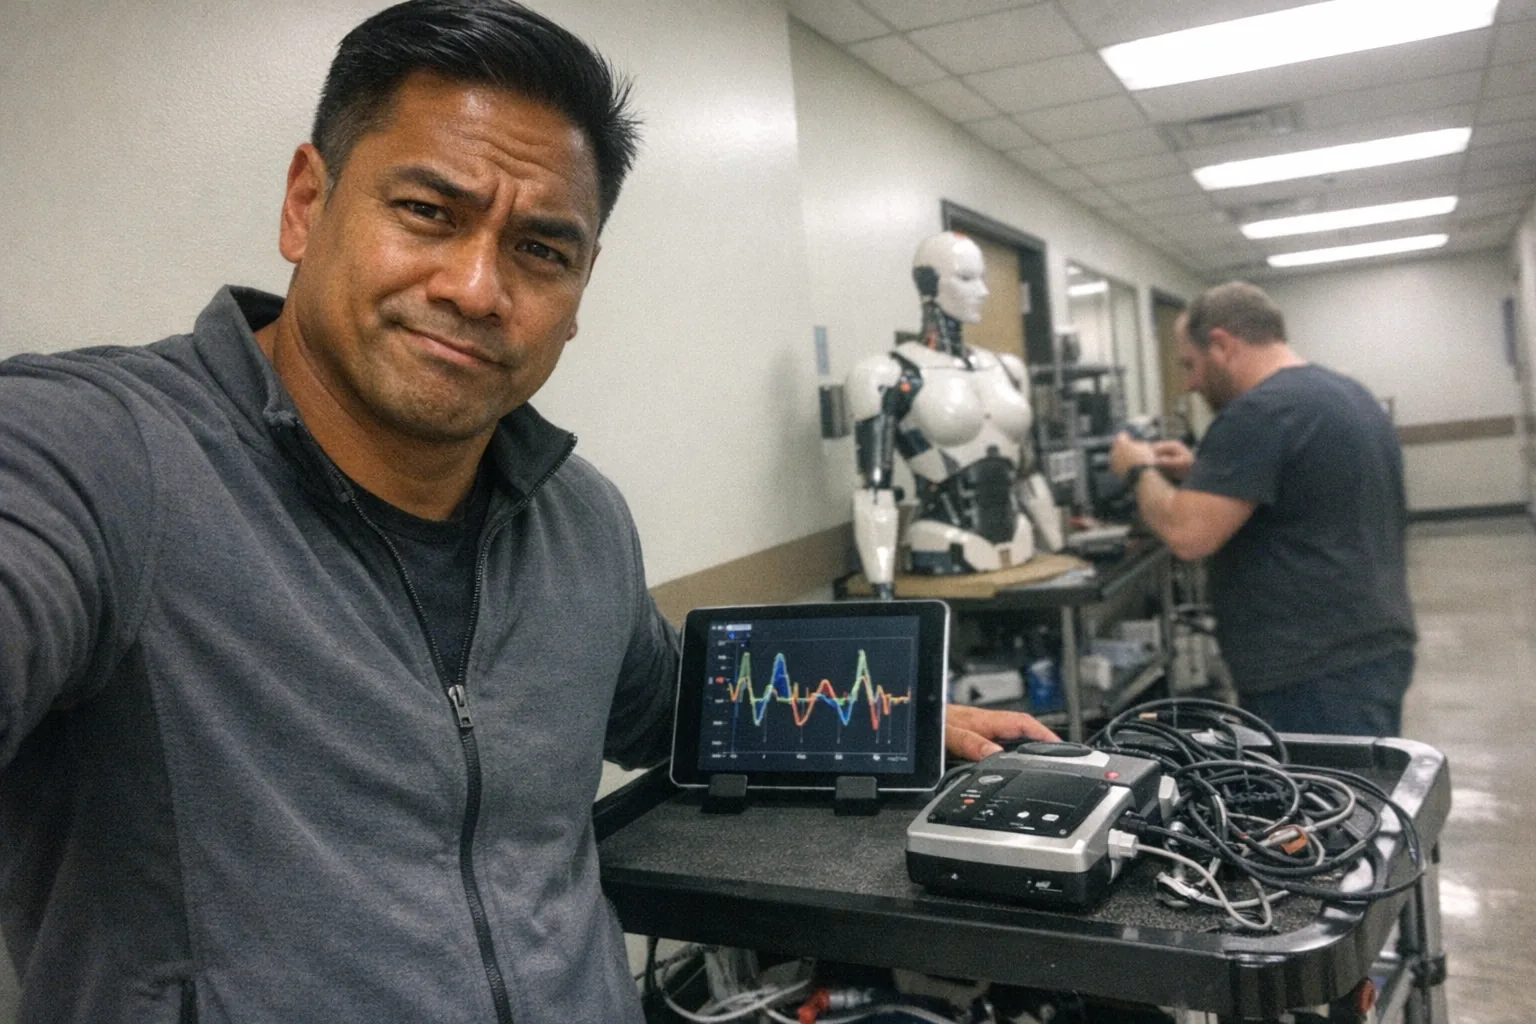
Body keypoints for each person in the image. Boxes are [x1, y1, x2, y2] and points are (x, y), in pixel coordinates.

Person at [0, 2, 1051, 1020]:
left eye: (541, 249)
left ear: (582, 289)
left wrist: (889, 719)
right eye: (427, 212)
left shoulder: (577, 519)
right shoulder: (99, 457)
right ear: (306, 203)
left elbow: (665, 703)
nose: (475, 286)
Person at [1109, 281, 1416, 737]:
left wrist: (1137, 470)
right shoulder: (1342, 393)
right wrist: (1202, 471)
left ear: (1221, 344)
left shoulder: (1260, 412)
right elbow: (1307, 485)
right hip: (1365, 644)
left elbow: (1186, 535)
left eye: (1190, 366)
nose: (1191, 384)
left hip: (1310, 669)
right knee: (1360, 793)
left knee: (1325, 801)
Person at [846, 231, 1059, 598]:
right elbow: (875, 490)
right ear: (928, 284)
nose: (983, 291)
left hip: (1021, 544)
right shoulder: (889, 375)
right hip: (942, 545)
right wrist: (882, 587)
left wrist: (1057, 546)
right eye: (965, 278)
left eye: (982, 277)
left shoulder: (1007, 369)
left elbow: (1027, 470)